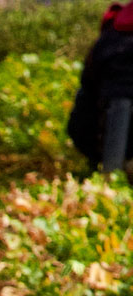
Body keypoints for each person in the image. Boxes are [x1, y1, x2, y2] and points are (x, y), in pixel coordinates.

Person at [67, 0, 133, 173]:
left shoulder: (116, 27)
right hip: (101, 139)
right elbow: (120, 105)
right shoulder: (123, 43)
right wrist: (112, 173)